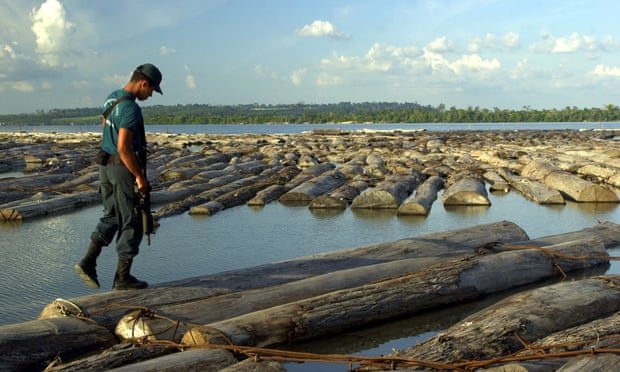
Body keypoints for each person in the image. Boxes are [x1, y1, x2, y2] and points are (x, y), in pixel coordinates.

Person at [75, 63, 163, 290]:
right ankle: (122, 279)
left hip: (105, 166)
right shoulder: (131, 109)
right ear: (144, 83)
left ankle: (88, 261)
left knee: (112, 214)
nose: (150, 95)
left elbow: (105, 126)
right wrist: (140, 177)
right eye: (152, 90)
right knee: (132, 219)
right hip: (122, 168)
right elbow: (124, 147)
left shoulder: (110, 99)